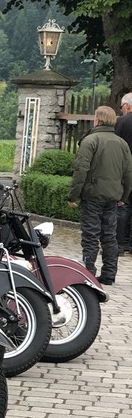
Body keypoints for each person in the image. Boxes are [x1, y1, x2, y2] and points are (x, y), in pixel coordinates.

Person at [68, 104, 132, 286]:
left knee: (90, 235)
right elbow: (128, 173)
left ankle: (88, 272)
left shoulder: (90, 140)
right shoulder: (122, 144)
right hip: (113, 196)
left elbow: (81, 170)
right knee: (109, 235)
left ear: (97, 120)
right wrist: (124, 196)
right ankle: (109, 274)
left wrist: (73, 195)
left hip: (92, 195)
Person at [115, 92, 132, 253]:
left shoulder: (121, 121)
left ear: (127, 106)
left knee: (123, 205)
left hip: (125, 170)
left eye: (121, 107)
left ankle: (119, 244)